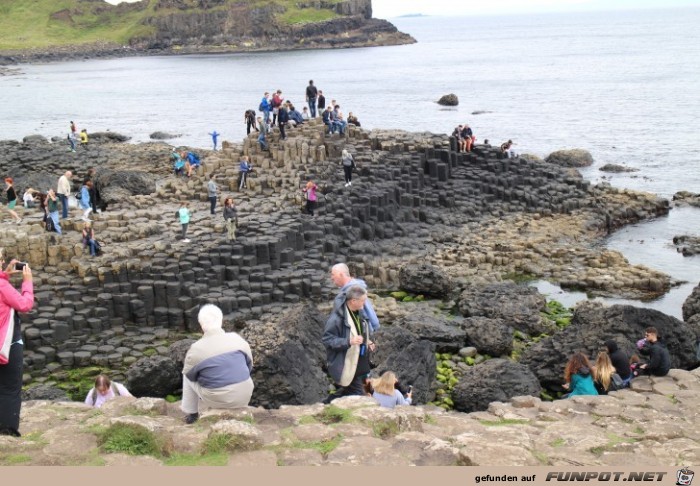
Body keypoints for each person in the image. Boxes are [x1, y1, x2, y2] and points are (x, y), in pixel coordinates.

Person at [181, 304, 254, 424]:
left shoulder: (196, 348)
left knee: (186, 373)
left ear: (200, 325)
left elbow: (190, 375)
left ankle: (192, 413)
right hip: (245, 396)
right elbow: (249, 365)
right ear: (221, 321)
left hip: (217, 401)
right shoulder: (237, 339)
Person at [0, 248, 34, 437]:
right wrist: (27, 283)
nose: (2, 262)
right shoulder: (2, 287)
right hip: (7, 345)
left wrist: (4, 275)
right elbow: (25, 304)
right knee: (10, 388)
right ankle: (7, 431)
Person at [322, 285, 376, 403]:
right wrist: (349, 341)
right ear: (353, 301)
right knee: (358, 394)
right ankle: (328, 404)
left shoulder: (358, 312)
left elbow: (359, 331)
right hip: (346, 363)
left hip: (359, 361)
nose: (365, 303)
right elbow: (327, 340)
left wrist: (367, 341)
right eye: (363, 300)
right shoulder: (336, 319)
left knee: (348, 390)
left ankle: (327, 402)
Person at [330, 263, 380, 332]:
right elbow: (371, 315)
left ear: (341, 274)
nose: (331, 278)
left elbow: (361, 315)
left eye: (333, 274)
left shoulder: (351, 291)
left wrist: (367, 337)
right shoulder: (356, 287)